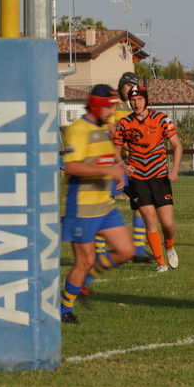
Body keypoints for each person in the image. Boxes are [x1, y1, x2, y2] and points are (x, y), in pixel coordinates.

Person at [59, 84, 135, 325]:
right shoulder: (78, 129)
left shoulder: (104, 129)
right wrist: (107, 171)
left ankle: (83, 283)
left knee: (126, 251)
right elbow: (71, 166)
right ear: (96, 105)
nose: (112, 112)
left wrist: (120, 170)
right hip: (81, 207)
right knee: (85, 261)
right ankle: (64, 310)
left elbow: (107, 159)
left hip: (104, 205)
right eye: (109, 107)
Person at [112, 84, 182, 272]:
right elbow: (115, 149)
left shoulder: (161, 118)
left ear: (146, 101)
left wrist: (174, 169)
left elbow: (177, 145)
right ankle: (161, 263)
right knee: (150, 220)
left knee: (167, 223)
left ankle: (169, 246)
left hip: (159, 177)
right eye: (132, 100)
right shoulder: (124, 123)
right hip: (138, 179)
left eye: (139, 99)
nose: (136, 103)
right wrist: (123, 166)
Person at [107, 71, 157, 265]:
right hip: (111, 160)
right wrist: (130, 146)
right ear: (121, 85)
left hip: (128, 162)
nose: (131, 90)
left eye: (134, 87)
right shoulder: (112, 101)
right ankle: (100, 251)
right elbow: (111, 130)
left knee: (140, 202)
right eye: (128, 86)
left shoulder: (132, 106)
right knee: (104, 203)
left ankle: (138, 250)